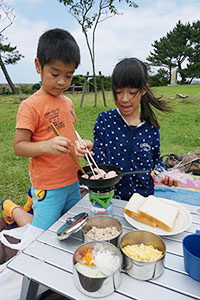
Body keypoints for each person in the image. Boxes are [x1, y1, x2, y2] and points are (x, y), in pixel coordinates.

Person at [1, 28, 93, 230]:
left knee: (71, 226)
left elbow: (71, 135)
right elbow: (19, 147)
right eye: (55, 73)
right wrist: (47, 146)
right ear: (38, 66)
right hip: (49, 186)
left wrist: (81, 145)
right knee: (41, 234)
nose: (62, 81)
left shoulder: (67, 102)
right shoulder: (30, 106)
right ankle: (13, 209)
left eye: (69, 75)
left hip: (72, 180)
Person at [93, 57, 178, 201]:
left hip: (142, 199)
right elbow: (97, 156)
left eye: (132, 92)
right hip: (108, 197)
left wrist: (163, 174)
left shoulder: (150, 127)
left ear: (143, 90)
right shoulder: (105, 120)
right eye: (118, 92)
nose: (124, 99)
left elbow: (156, 159)